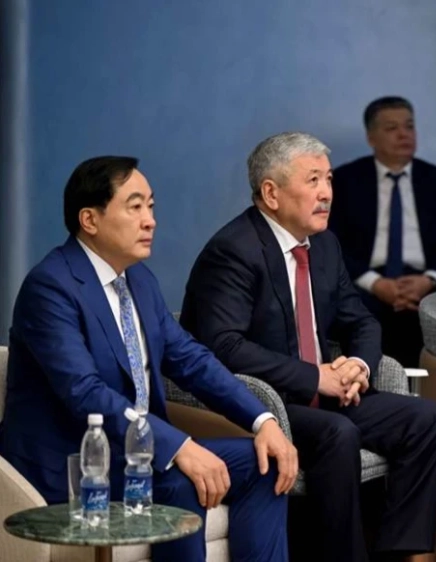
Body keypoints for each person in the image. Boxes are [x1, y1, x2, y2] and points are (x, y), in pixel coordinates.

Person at [0, 156, 295, 562]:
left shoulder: (138, 279)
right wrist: (179, 447)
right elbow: (84, 392)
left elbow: (191, 360)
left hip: (141, 454)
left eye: (151, 206)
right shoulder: (50, 287)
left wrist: (263, 421)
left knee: (266, 462)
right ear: (90, 219)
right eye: (135, 206)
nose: (150, 220)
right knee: (183, 480)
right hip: (79, 466)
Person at [180, 132, 436, 562]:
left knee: (425, 418)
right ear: (271, 193)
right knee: (338, 433)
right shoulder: (233, 251)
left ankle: (400, 552)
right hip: (265, 403)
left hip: (327, 393)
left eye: (329, 179)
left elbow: (360, 319)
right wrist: (314, 377)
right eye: (313, 180)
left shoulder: (323, 244)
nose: (326, 193)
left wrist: (358, 366)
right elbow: (222, 345)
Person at [328, 96, 436, 367]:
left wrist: (429, 280)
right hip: (365, 282)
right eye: (391, 128)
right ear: (371, 138)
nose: (404, 135)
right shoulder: (345, 180)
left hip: (424, 282)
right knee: (353, 312)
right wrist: (376, 284)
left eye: (409, 126)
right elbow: (333, 245)